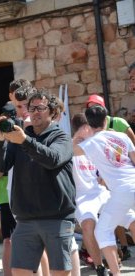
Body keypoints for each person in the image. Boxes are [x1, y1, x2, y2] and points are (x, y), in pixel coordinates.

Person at [0, 90, 76, 275]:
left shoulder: (61, 137)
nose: (35, 112)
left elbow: (52, 159)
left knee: (60, 273)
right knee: (19, 272)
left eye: (41, 108)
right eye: (32, 108)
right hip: (25, 220)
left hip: (57, 218)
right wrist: (0, 140)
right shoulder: (20, 138)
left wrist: (24, 141)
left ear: (52, 112)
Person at [75, 105, 135, 275]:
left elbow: (69, 151)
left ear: (88, 123)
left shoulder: (90, 143)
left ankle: (115, 273)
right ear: (106, 119)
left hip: (121, 192)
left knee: (102, 231)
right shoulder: (122, 136)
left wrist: (77, 136)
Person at [71, 113, 110, 276]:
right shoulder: (70, 146)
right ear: (83, 129)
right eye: (88, 129)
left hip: (100, 192)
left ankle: (118, 249)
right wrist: (76, 138)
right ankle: (100, 266)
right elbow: (67, 150)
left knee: (129, 211)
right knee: (87, 224)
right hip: (82, 196)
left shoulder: (94, 144)